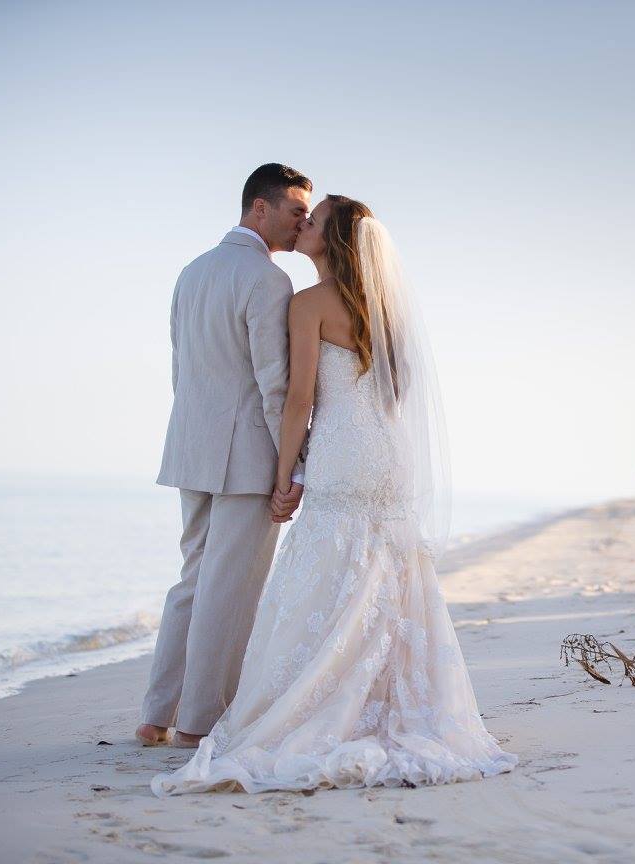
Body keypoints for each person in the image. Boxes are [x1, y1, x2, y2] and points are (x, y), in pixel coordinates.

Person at [152, 195, 516, 794]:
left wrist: (282, 475)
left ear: (336, 240)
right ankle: (402, 703)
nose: (304, 226)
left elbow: (298, 399)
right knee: (388, 577)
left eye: (314, 221)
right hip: (387, 454)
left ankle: (314, 703)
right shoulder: (387, 308)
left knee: (328, 574)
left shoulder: (307, 303)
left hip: (343, 454)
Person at [137, 164, 312, 748]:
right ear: (258, 209)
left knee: (192, 580)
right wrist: (291, 467)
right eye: (294, 211)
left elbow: (179, 370)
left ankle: (156, 714)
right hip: (245, 457)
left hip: (191, 447)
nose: (301, 223)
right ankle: (198, 725)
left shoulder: (191, 272)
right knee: (228, 589)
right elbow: (275, 385)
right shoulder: (267, 281)